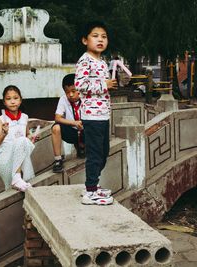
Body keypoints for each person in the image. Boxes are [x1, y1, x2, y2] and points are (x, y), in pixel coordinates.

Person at [75, 21, 117, 205]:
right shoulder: (85, 60)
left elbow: (101, 88)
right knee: (95, 154)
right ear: (85, 40)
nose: (100, 39)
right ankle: (90, 192)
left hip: (102, 114)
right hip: (91, 116)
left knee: (103, 152)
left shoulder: (101, 61)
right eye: (95, 36)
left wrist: (110, 85)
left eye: (104, 36)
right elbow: (80, 85)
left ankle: (92, 185)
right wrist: (104, 85)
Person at [0, 85, 38, 192]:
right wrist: (4, 133)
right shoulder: (2, 119)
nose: (12, 101)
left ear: (20, 100)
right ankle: (17, 179)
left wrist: (32, 137)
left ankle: (18, 179)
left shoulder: (25, 117)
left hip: (17, 154)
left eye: (15, 98)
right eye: (8, 99)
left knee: (24, 140)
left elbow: (26, 135)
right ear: (4, 102)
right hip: (5, 155)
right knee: (21, 141)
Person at [51, 73, 85, 173]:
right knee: (56, 128)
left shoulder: (87, 98)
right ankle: (58, 160)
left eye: (73, 91)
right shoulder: (63, 100)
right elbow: (57, 118)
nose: (70, 94)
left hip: (85, 132)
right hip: (72, 132)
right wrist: (73, 123)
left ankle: (83, 147)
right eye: (67, 92)